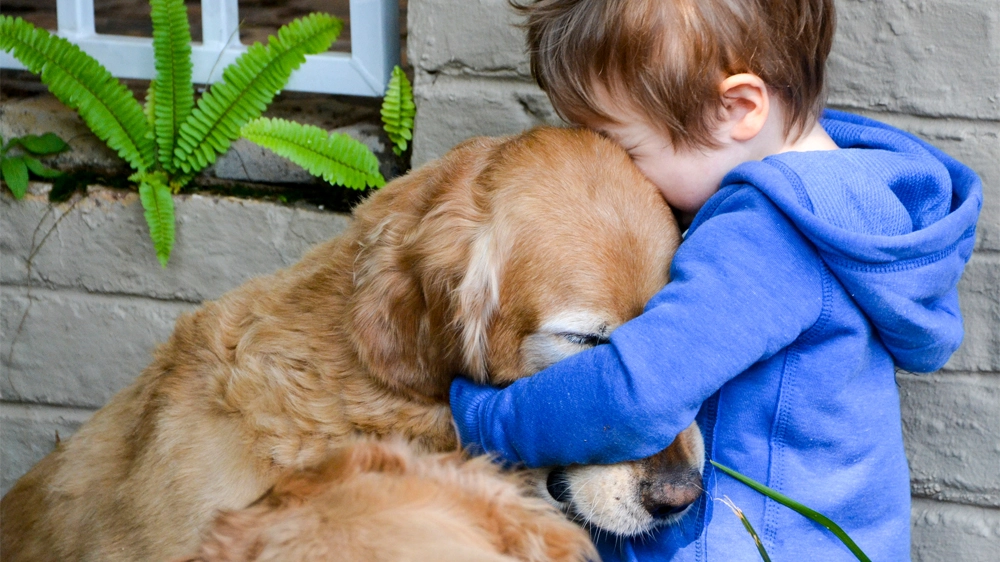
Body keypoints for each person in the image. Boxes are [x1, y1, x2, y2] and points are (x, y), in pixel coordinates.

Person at [447, 1, 983, 561]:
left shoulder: (766, 239)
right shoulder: (845, 201)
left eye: (624, 148)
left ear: (738, 108)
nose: (617, 176)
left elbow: (638, 393)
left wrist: (486, 420)